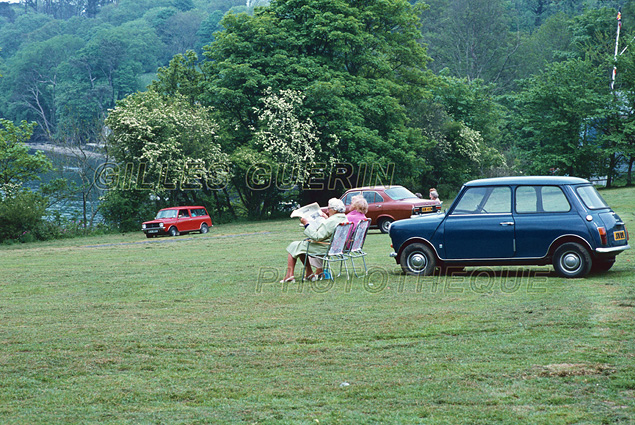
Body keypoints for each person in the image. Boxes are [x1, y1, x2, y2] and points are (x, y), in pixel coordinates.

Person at [281, 198, 348, 283]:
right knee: (301, 247)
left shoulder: (332, 221)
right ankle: (309, 274)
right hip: (336, 247)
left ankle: (289, 275)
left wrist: (306, 224)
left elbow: (317, 237)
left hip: (325, 247)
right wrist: (326, 219)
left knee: (294, 245)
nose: (327, 211)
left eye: (329, 208)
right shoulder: (343, 218)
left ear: (334, 210)